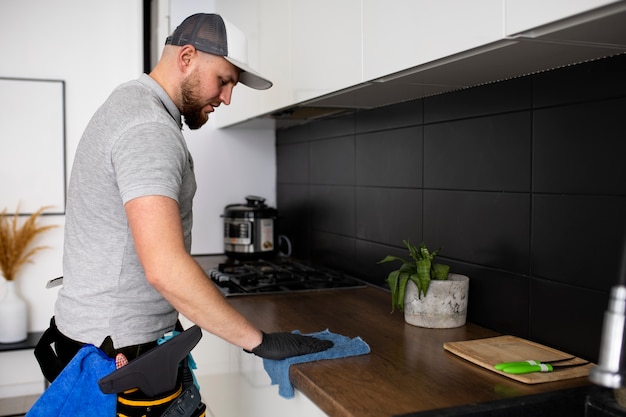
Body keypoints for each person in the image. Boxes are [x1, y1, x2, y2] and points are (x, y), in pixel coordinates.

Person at [35, 13, 332, 416]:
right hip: (116, 361)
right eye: (224, 80)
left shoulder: (129, 104)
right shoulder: (149, 128)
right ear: (187, 57)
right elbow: (165, 266)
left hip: (90, 342)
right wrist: (258, 340)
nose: (227, 97)